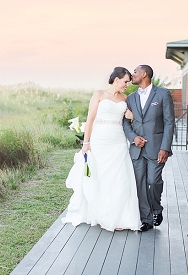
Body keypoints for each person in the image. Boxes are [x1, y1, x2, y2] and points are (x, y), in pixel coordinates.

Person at [61, 67, 141, 232]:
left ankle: (118, 217)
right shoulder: (98, 94)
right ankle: (101, 214)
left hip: (118, 141)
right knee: (101, 176)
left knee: (119, 178)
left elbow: (131, 120)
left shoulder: (125, 99)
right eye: (126, 81)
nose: (127, 84)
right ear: (116, 79)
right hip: (99, 141)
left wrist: (131, 116)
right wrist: (86, 143)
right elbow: (90, 120)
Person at [123, 65, 175, 232]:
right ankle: (147, 219)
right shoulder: (130, 98)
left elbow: (169, 122)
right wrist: (133, 138)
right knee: (139, 184)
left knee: (153, 181)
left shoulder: (162, 94)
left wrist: (165, 148)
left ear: (144, 74)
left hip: (157, 148)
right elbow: (125, 122)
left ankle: (156, 208)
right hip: (137, 149)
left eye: (135, 72)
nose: (132, 74)